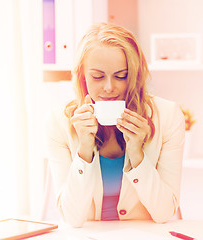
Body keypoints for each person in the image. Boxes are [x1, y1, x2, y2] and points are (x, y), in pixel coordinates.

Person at [45, 22, 185, 227]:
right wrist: (84, 149)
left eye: (121, 76)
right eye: (97, 76)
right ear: (82, 76)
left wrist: (137, 155)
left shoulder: (167, 116)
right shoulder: (58, 121)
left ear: (135, 75)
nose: (109, 87)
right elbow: (72, 218)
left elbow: (164, 213)